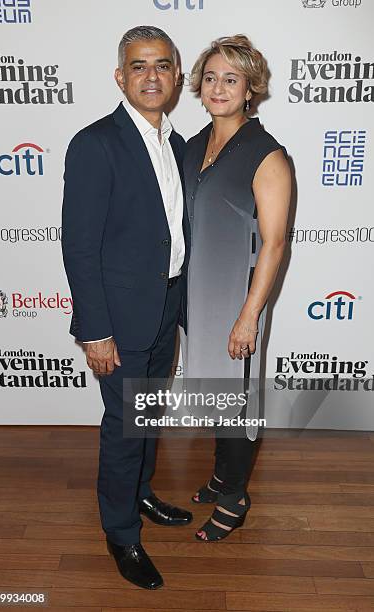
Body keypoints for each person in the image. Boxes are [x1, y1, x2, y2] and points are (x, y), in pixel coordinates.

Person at [61, 26, 191, 589]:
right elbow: (79, 245)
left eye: (162, 65)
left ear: (176, 76)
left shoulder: (179, 144)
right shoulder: (95, 143)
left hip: (166, 306)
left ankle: (139, 495)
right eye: (139, 66)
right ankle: (121, 533)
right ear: (120, 76)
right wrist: (95, 331)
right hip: (118, 317)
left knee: (146, 417)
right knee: (123, 427)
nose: (151, 76)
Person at [183, 35, 291, 541]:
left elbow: (273, 243)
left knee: (237, 399)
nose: (218, 87)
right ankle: (222, 475)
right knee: (212, 391)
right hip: (195, 294)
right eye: (210, 77)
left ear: (250, 89)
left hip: (235, 298)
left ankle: (234, 499)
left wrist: (250, 315)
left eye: (231, 78)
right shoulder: (191, 146)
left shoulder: (267, 154)